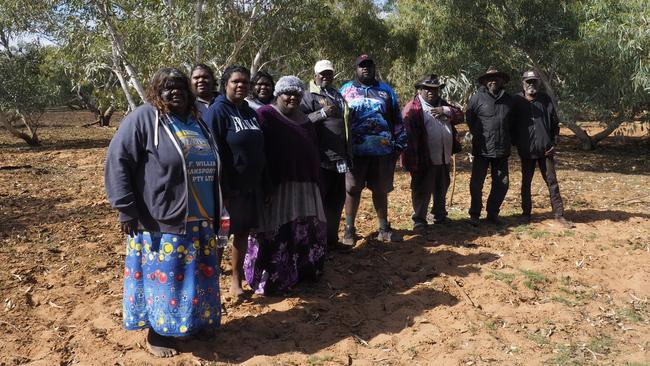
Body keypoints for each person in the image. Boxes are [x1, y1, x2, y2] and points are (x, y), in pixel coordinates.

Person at [105, 68, 222, 357]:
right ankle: (158, 332)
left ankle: (194, 322)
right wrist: (126, 209)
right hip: (161, 218)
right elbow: (118, 161)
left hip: (200, 215)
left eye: (181, 87)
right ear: (156, 92)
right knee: (167, 277)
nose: (176, 92)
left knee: (196, 275)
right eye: (168, 87)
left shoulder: (196, 120)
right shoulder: (144, 118)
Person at [244, 76, 326, 295]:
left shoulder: (306, 120)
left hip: (305, 186)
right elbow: (259, 150)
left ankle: (303, 273)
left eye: (297, 94)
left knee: (303, 231)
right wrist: (265, 183)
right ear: (277, 95)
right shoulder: (266, 115)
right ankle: (274, 279)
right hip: (279, 187)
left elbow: (313, 150)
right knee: (276, 232)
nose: (292, 98)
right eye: (287, 93)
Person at [203, 65, 267, 299]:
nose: (241, 85)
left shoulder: (250, 112)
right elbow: (213, 151)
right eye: (235, 82)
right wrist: (222, 188)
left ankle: (236, 282)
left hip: (250, 186)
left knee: (241, 233)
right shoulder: (217, 112)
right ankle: (212, 289)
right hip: (228, 189)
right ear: (225, 84)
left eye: (245, 82)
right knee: (220, 238)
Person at [339, 55, 407, 245]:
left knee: (380, 190)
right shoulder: (345, 90)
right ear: (356, 69)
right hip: (355, 153)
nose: (365, 69)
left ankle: (384, 229)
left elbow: (397, 121)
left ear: (374, 68)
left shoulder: (386, 91)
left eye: (369, 66)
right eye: (362, 66)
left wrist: (399, 146)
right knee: (352, 190)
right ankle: (349, 231)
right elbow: (338, 121)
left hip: (382, 153)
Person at [300, 60, 352, 250]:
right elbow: (300, 121)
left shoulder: (337, 95)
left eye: (329, 73)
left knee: (336, 201)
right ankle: (317, 244)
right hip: (320, 159)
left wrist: (349, 153)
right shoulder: (308, 96)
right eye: (322, 73)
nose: (325, 77)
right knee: (319, 203)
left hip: (339, 159)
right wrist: (321, 113)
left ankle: (332, 241)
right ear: (315, 75)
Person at [401, 74, 464, 233]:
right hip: (423, 158)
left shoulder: (442, 105)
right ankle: (419, 220)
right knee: (422, 188)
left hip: (443, 156)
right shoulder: (413, 108)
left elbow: (460, 116)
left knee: (442, 186)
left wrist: (445, 111)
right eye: (427, 89)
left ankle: (439, 215)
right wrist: (412, 161)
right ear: (420, 90)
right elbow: (408, 137)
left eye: (434, 89)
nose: (431, 92)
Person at [512, 70, 574, 228]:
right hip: (526, 151)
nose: (531, 85)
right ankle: (526, 214)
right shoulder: (516, 100)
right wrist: (517, 144)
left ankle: (559, 215)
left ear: (538, 83)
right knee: (526, 183)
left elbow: (555, 122)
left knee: (552, 181)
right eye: (528, 82)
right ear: (523, 83)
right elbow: (510, 125)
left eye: (534, 82)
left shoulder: (545, 99)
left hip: (546, 151)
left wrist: (554, 143)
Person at [465, 66, 515, 226]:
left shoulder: (509, 100)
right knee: (476, 183)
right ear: (485, 81)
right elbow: (470, 120)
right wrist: (479, 135)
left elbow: (512, 124)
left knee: (502, 183)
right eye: (490, 78)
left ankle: (493, 213)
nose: (493, 80)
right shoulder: (476, 99)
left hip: (502, 150)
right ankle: (474, 214)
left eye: (496, 78)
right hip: (482, 149)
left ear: (502, 80)